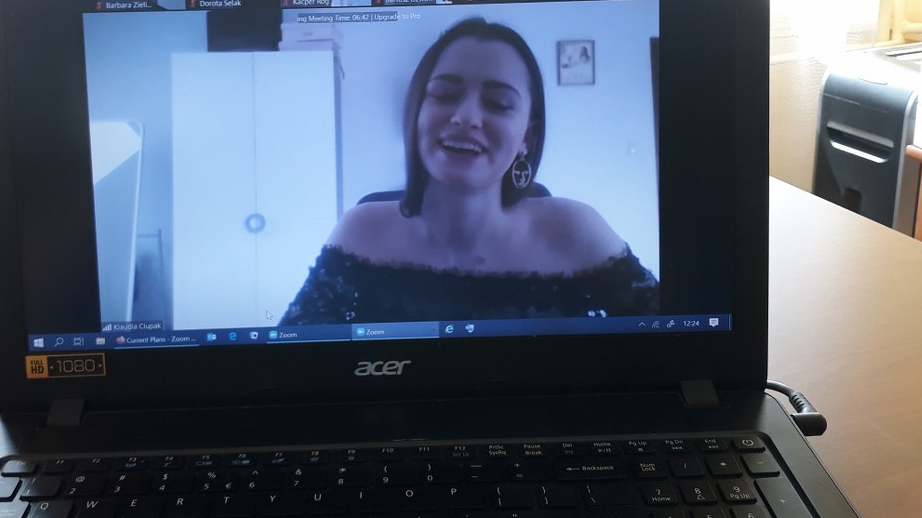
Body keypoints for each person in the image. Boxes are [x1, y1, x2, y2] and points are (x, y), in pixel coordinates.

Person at [281, 18, 658, 325]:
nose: (466, 117)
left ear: (527, 137)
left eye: (498, 103)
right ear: (417, 113)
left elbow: (673, 344)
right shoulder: (359, 233)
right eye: (444, 95)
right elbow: (290, 365)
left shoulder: (576, 230)